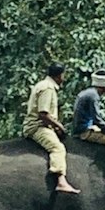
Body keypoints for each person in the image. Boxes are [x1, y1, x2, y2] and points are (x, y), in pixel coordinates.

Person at [22, 63, 80, 194]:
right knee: (58, 148)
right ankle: (61, 180)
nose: (64, 78)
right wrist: (59, 126)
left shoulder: (43, 84)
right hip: (37, 127)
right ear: (59, 75)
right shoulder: (48, 88)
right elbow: (43, 114)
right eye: (63, 75)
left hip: (42, 125)